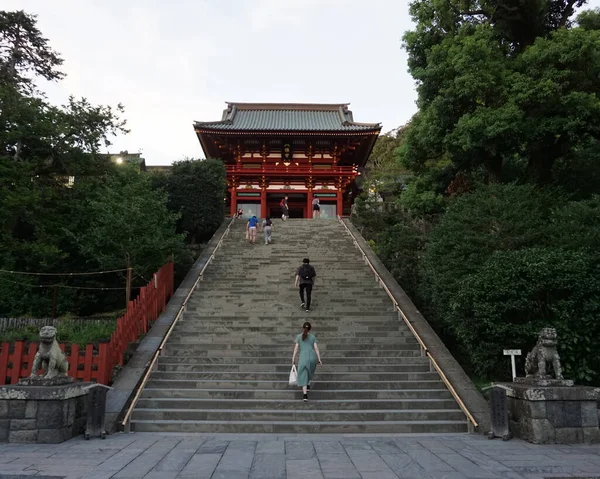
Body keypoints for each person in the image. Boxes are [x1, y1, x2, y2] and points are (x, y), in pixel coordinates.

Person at [291, 322, 322, 402]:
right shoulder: (312, 337)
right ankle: (308, 383)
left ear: (303, 328)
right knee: (310, 371)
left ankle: (305, 395)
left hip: (303, 357)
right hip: (312, 357)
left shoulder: (298, 337)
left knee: (303, 373)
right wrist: (319, 358)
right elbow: (316, 348)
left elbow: (296, 349)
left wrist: (293, 358)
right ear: (310, 328)